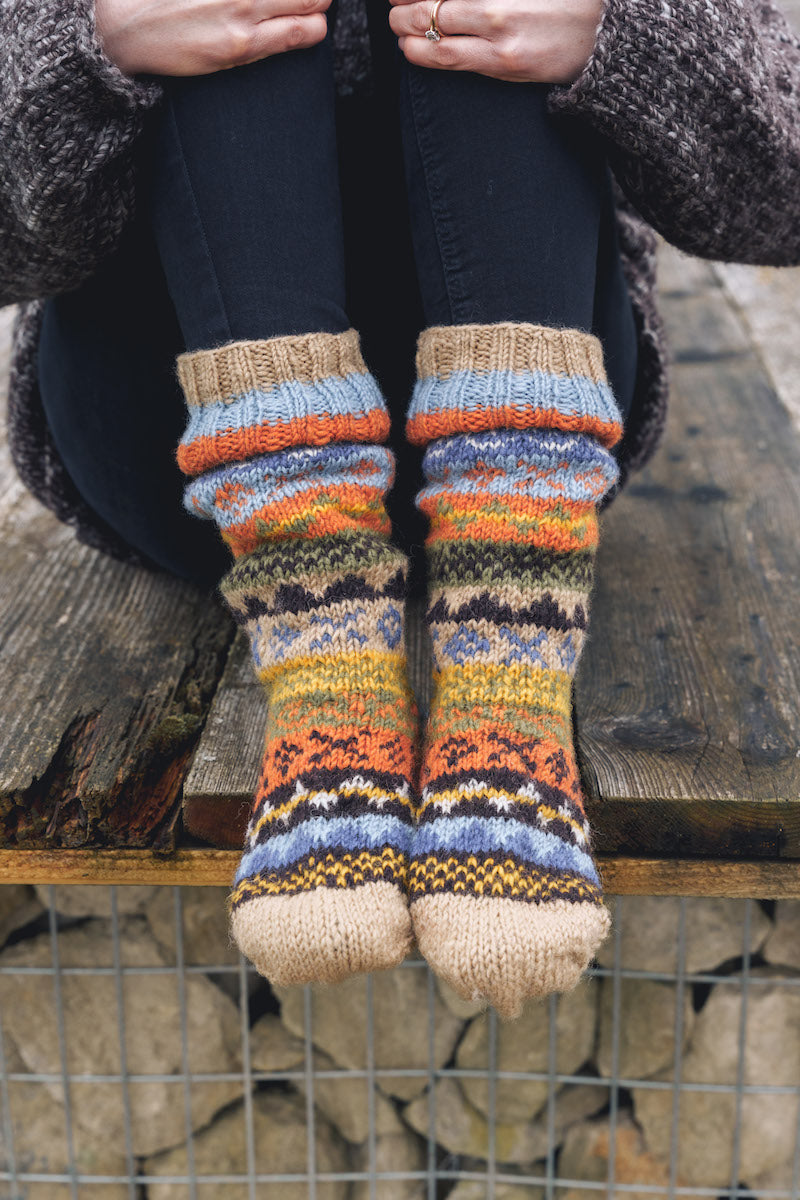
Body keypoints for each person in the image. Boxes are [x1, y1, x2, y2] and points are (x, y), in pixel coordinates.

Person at [3, 0, 800, 1017]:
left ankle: (502, 686)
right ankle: (327, 673)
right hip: (175, 439)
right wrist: (90, 45)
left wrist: (617, 32)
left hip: (528, 446)